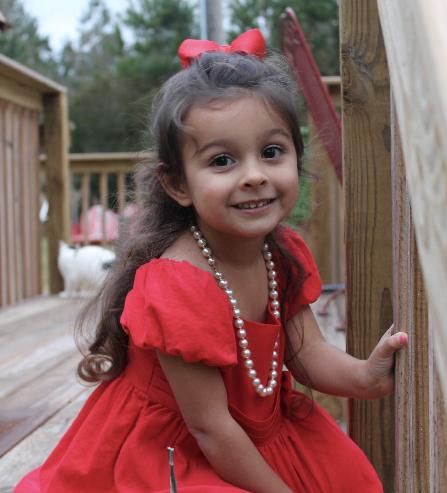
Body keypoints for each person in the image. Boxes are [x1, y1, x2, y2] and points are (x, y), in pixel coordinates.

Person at [15, 29, 408, 493]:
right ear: (179, 184)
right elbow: (210, 429)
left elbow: (308, 353)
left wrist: (363, 377)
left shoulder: (281, 253)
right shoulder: (178, 284)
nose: (254, 175)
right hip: (172, 448)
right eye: (222, 161)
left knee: (346, 477)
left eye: (271, 152)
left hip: (252, 432)